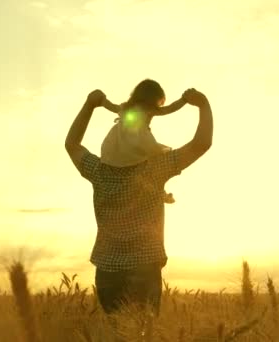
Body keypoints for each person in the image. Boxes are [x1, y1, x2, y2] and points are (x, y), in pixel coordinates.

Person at [64, 80, 213, 316]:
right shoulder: (156, 168)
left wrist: (89, 105)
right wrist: (203, 105)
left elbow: (72, 144)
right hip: (145, 269)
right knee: (145, 334)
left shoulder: (98, 171)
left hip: (107, 272)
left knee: (118, 332)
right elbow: (202, 143)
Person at [100, 80, 188, 203]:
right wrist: (184, 99)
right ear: (154, 98)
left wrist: (102, 100)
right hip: (139, 142)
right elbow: (170, 109)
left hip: (119, 143)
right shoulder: (150, 109)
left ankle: (159, 192)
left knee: (138, 168)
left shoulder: (125, 107)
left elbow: (110, 106)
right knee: (156, 163)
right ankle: (160, 192)